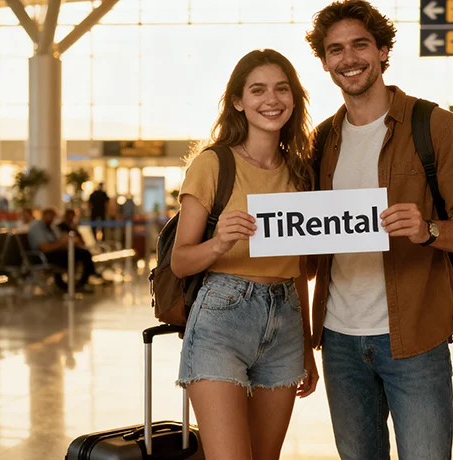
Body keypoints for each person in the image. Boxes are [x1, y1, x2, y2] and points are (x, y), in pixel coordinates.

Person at [304, 2, 453, 458]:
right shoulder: (321, 141)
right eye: (335, 50)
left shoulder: (436, 127)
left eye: (360, 45)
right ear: (325, 61)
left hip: (415, 334)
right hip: (339, 339)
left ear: (383, 50)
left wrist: (429, 228)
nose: (348, 58)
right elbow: (310, 239)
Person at [170, 49, 319, 460]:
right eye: (258, 90)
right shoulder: (213, 164)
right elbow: (180, 261)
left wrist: (306, 345)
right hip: (222, 319)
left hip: (285, 323)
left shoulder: (299, 173)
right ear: (238, 101)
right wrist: (218, 243)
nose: (271, 99)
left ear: (293, 99)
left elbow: (297, 271)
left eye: (281, 89)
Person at [27, 207, 96, 293]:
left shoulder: (52, 227)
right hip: (43, 256)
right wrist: (62, 242)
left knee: (83, 253)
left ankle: (81, 282)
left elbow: (61, 239)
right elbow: (45, 248)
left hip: (56, 252)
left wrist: (67, 241)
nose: (52, 218)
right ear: (44, 215)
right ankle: (71, 284)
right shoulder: (36, 227)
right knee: (75, 256)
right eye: (50, 215)